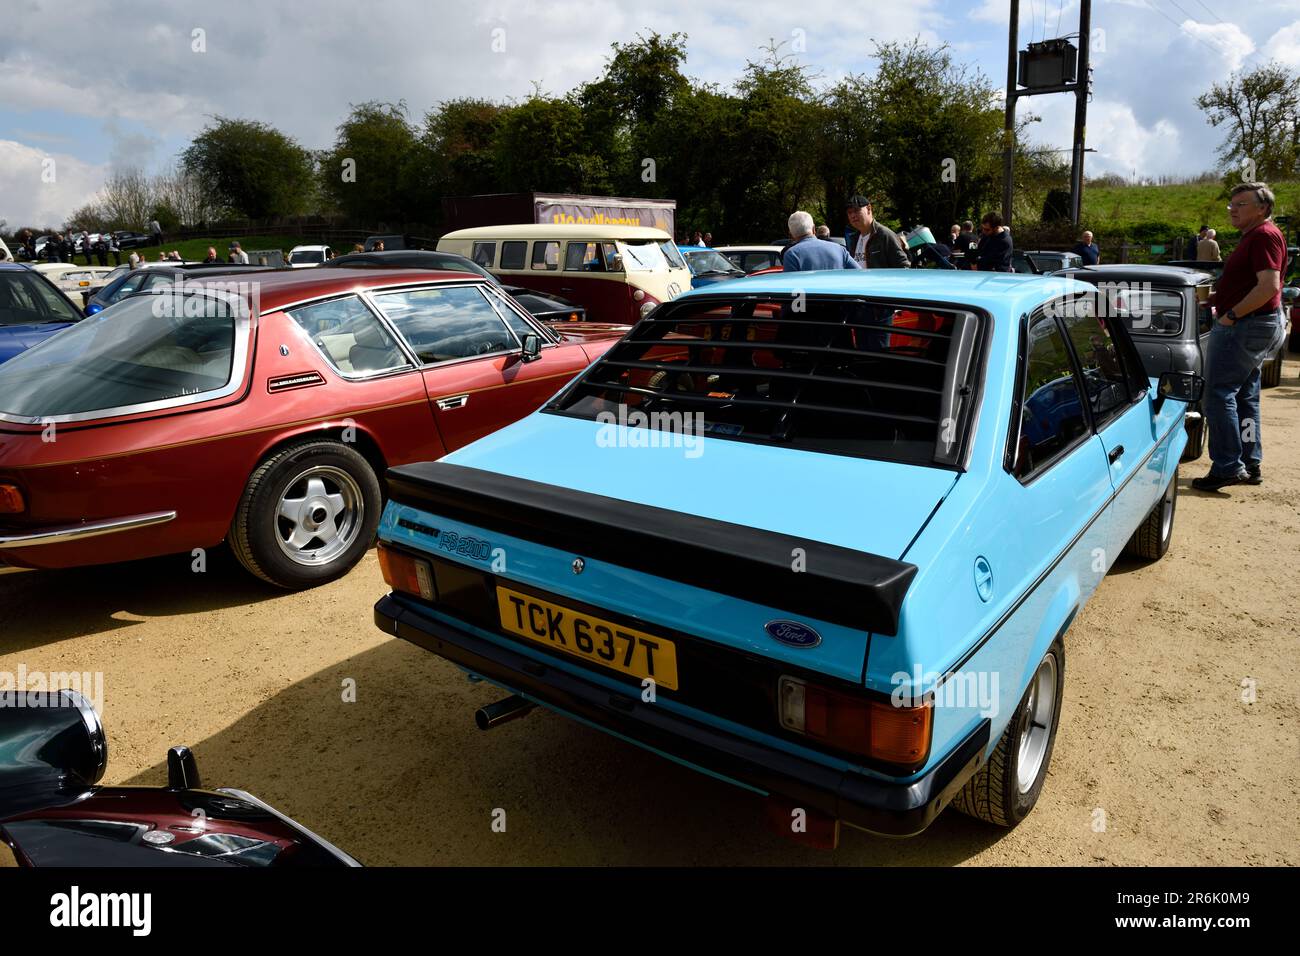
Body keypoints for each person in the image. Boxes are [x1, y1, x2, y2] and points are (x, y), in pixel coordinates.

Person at [1192, 183, 1288, 491]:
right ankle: (1249, 462)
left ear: (1262, 208)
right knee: (1245, 397)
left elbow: (1269, 286)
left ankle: (1227, 467)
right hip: (1254, 324)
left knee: (1218, 395)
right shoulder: (1259, 235)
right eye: (1231, 204)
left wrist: (1231, 315)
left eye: (1241, 204)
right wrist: (1219, 298)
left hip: (1245, 326)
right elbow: (1255, 284)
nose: (1233, 208)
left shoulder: (1263, 236)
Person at [844, 195, 909, 269]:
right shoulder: (853, 239)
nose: (853, 215)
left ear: (869, 209)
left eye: (856, 210)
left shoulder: (885, 235)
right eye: (849, 212)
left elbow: (903, 267)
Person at [781, 211, 860, 272]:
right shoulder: (839, 249)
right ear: (814, 229)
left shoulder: (791, 255)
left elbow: (791, 288)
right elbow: (859, 273)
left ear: (790, 234)